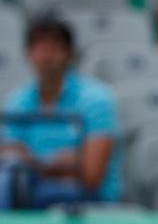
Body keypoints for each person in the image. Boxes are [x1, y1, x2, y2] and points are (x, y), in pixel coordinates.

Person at [1, 18, 121, 208]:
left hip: (89, 201)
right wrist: (60, 164)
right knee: (9, 182)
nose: (46, 54)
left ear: (69, 53)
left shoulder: (96, 100)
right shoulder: (17, 101)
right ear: (28, 53)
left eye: (55, 45)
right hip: (26, 192)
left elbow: (91, 175)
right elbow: (11, 160)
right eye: (39, 45)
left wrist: (34, 164)